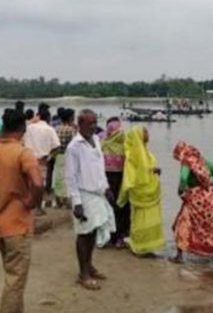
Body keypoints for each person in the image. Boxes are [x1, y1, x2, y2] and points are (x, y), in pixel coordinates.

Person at [0, 109, 43, 313]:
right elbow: (38, 182)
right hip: (17, 223)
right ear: (23, 129)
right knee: (15, 278)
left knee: (12, 274)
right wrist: (31, 202)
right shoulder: (22, 153)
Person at [65, 109, 116, 291]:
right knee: (83, 234)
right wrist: (77, 202)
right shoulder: (74, 147)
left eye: (95, 122)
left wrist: (107, 187)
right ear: (80, 124)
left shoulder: (95, 140)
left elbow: (99, 168)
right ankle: (82, 273)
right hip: (84, 195)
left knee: (93, 231)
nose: (93, 126)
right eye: (89, 123)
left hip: (98, 193)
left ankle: (90, 265)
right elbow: (70, 177)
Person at [170, 142, 213, 263]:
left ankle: (179, 257)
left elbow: (183, 178)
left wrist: (181, 191)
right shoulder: (206, 162)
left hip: (195, 200)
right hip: (211, 199)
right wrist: (212, 190)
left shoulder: (187, 163)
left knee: (182, 224)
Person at [117, 126, 165, 256]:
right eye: (145, 132)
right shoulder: (133, 153)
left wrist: (154, 170)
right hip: (141, 191)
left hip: (150, 190)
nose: (148, 134)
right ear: (139, 135)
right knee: (140, 220)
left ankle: (148, 246)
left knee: (150, 219)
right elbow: (133, 173)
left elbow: (147, 168)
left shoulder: (145, 151)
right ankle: (140, 246)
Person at [22, 109, 60, 212]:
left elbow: (22, 141)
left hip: (28, 157)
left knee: (29, 183)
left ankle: (29, 205)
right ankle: (38, 207)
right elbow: (56, 146)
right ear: (48, 118)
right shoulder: (49, 129)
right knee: (39, 184)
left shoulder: (29, 128)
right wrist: (49, 157)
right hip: (42, 159)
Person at [101, 117, 130, 248]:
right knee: (121, 206)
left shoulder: (102, 140)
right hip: (122, 177)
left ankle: (108, 236)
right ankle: (120, 237)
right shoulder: (124, 139)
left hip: (105, 177)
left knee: (107, 206)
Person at [52, 108, 76, 208]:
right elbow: (74, 145)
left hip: (58, 155)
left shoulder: (56, 129)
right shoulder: (71, 130)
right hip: (68, 156)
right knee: (68, 178)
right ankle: (66, 201)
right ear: (71, 118)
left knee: (58, 178)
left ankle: (58, 201)